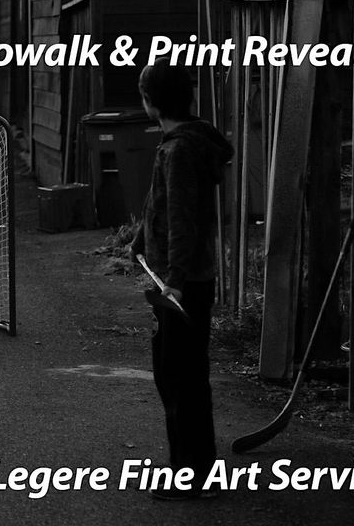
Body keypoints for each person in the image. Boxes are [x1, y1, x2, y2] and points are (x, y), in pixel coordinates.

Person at [129, 59, 233, 500]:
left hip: (181, 285)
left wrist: (173, 281)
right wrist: (140, 239)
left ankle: (192, 475)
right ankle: (193, 466)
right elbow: (162, 204)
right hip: (183, 280)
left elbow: (182, 220)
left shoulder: (178, 151)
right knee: (182, 376)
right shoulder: (183, 143)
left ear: (151, 102)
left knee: (179, 379)